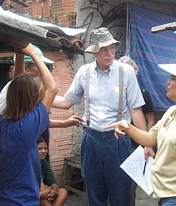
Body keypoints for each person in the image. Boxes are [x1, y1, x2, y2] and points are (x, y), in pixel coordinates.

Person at [52, 27, 146, 206]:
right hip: (91, 139)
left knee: (122, 194)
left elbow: (136, 110)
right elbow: (66, 102)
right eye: (104, 49)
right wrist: (40, 97)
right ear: (94, 51)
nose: (110, 53)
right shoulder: (84, 72)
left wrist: (146, 143)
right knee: (94, 192)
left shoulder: (125, 72)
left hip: (119, 140)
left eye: (112, 48)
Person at [106, 59, 176, 206]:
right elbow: (150, 139)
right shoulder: (173, 110)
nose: (168, 82)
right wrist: (127, 126)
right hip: (165, 193)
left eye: (173, 79)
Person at [0, 43, 58, 205]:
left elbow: (17, 85)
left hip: (7, 198)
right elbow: (52, 88)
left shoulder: (4, 122)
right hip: (22, 201)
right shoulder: (25, 128)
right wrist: (33, 53)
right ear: (32, 99)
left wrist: (20, 53)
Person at [0, 46, 82, 159]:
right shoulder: (17, 91)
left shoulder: (27, 91)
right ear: (26, 68)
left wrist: (64, 122)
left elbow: (64, 103)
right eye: (39, 65)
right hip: (13, 144)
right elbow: (52, 89)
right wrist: (32, 53)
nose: (42, 71)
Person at [118, 56, 155, 206]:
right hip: (118, 140)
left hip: (136, 144)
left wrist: (146, 142)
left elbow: (150, 120)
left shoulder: (143, 92)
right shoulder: (117, 91)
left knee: (130, 183)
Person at [37, 136, 68, 206]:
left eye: (45, 148)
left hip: (43, 196)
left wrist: (53, 191)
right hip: (31, 197)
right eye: (40, 149)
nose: (43, 151)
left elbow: (53, 183)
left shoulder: (43, 162)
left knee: (63, 192)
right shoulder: (27, 165)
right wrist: (42, 194)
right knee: (41, 185)